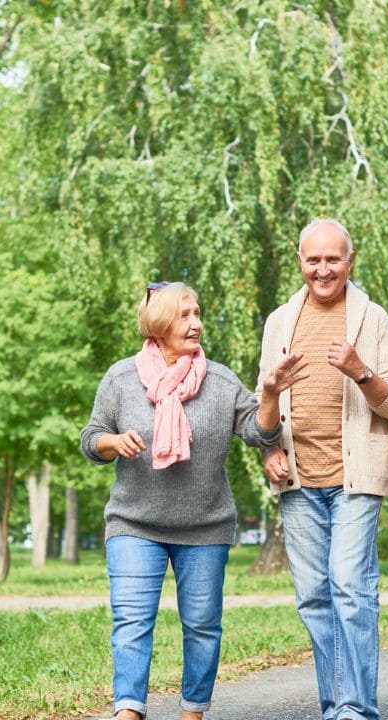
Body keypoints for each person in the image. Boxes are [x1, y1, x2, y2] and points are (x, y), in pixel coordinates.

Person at [80, 281, 307, 720]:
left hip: (205, 527)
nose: (197, 323)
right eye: (185, 315)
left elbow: (259, 432)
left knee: (202, 626)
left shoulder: (220, 382)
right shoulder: (121, 378)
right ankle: (128, 709)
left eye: (198, 314)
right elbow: (90, 439)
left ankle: (192, 711)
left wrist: (272, 393)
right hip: (134, 523)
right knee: (131, 623)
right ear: (160, 323)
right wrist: (113, 441)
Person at [257, 218, 388, 720]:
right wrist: (268, 450)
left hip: (355, 477)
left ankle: (354, 708)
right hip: (298, 481)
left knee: (350, 586)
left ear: (350, 260)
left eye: (333, 259)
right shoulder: (280, 321)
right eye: (313, 259)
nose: (323, 269)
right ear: (301, 260)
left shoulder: (372, 319)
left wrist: (360, 371)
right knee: (314, 598)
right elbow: (264, 410)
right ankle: (337, 704)